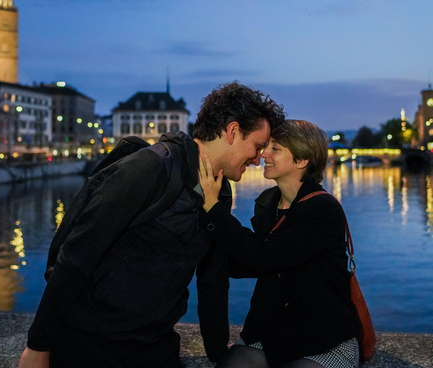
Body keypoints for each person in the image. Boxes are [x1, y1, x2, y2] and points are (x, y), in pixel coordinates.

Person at [19, 82, 285, 368]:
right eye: (257, 147)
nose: (258, 159)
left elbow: (213, 278)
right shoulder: (150, 167)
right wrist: (38, 345)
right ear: (233, 132)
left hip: (155, 346)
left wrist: (218, 349)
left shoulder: (219, 191)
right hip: (92, 343)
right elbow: (76, 256)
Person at [199, 120, 360, 368]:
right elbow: (251, 263)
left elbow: (263, 256)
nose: (263, 154)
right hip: (272, 335)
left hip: (325, 338)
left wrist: (214, 208)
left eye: (275, 148)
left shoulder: (322, 209)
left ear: (301, 160)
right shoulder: (268, 204)